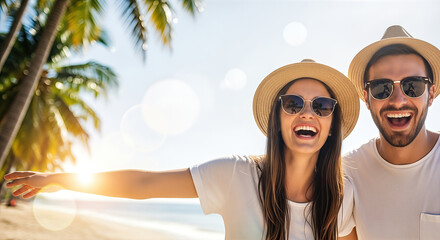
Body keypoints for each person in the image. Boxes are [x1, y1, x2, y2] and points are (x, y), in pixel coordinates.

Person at [5, 59, 360, 240]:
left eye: (322, 106)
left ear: (331, 126)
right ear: (277, 117)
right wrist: (59, 179)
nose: (307, 113)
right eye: (293, 102)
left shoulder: (342, 198)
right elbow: (144, 185)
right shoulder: (236, 174)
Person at [344, 25, 440, 240]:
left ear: (431, 94)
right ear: (367, 98)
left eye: (413, 86)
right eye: (381, 88)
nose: (398, 101)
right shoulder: (346, 174)